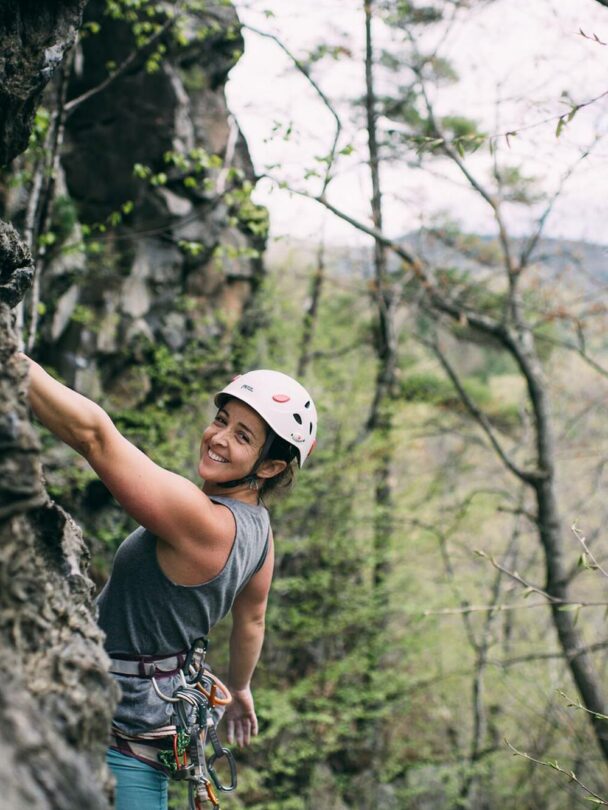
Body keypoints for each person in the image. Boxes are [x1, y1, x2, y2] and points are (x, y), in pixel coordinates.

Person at [20, 358, 317, 810]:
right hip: (144, 719)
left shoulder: (205, 523)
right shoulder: (259, 532)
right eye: (221, 420)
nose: (218, 438)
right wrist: (239, 688)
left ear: (272, 466)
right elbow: (252, 618)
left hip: (119, 729)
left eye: (242, 437)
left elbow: (96, 438)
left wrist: (11, 359)